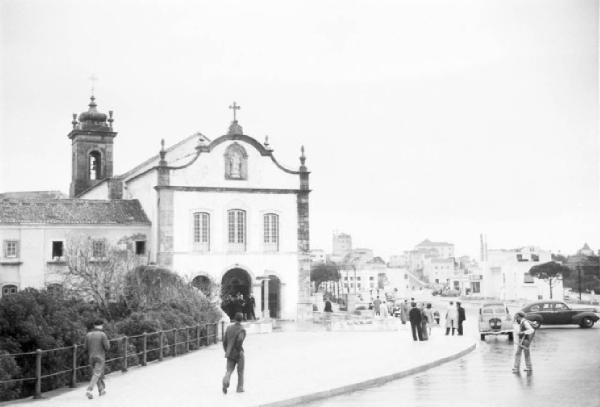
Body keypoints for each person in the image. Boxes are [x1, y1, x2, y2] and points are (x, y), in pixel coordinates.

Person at [84, 320, 110, 399]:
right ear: (101, 325)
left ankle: (101, 390)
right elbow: (107, 347)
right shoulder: (102, 334)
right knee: (97, 374)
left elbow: (85, 347)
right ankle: (89, 390)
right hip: (100, 357)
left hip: (91, 357)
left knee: (96, 374)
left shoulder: (88, 335)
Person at [222, 312, 246, 394]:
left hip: (229, 352)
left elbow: (224, 341)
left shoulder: (228, 328)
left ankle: (225, 382)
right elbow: (239, 341)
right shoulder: (242, 329)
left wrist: (227, 350)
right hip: (238, 352)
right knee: (240, 371)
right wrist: (239, 351)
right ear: (241, 319)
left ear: (235, 319)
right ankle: (240, 387)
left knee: (229, 370)